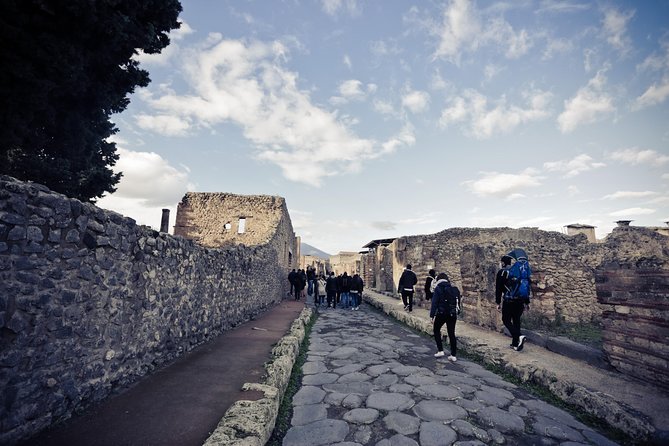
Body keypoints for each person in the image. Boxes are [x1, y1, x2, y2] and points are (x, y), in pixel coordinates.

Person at [496, 254, 529, 351]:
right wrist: (527, 302)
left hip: (509, 301)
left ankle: (519, 336)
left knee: (506, 320)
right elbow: (525, 286)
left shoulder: (502, 273)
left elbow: (498, 289)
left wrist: (498, 302)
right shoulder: (518, 272)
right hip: (520, 301)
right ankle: (515, 344)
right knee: (516, 321)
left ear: (503, 263)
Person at [430, 272, 461, 361]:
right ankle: (453, 355)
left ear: (438, 280)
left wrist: (432, 315)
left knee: (436, 329)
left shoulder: (438, 288)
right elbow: (458, 301)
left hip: (442, 313)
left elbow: (434, 302)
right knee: (451, 333)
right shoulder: (453, 288)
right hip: (452, 314)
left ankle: (440, 350)